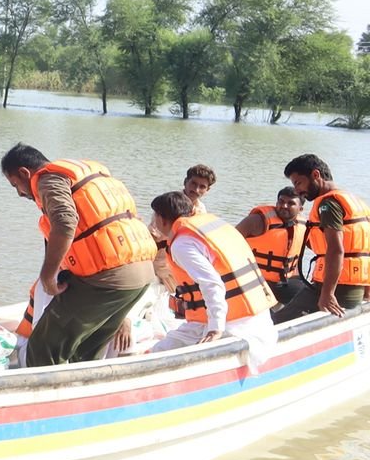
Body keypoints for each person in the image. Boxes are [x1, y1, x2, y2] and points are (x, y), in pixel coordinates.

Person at [0, 144, 157, 366]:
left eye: (16, 185)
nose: (19, 193)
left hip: (107, 279)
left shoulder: (48, 179)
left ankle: (46, 388)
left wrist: (47, 277)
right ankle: (82, 385)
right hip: (140, 277)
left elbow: (65, 222)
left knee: (43, 347)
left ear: (25, 173)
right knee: (84, 352)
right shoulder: (81, 176)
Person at [147, 191, 278, 364]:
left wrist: (215, 328)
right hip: (257, 315)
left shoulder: (181, 244)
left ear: (162, 219)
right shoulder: (212, 225)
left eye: (155, 216)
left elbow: (212, 284)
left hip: (231, 322)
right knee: (168, 343)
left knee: (158, 353)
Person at [274, 154, 370, 322]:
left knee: (275, 323)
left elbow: (336, 249)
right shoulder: (356, 201)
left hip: (336, 290)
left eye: (298, 183)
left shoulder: (328, 204)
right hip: (355, 288)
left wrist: (327, 294)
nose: (297, 190)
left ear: (316, 175)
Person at [234, 187, 308, 305]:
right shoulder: (257, 221)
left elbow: (321, 249)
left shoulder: (304, 226)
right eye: (281, 201)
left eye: (291, 203)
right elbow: (228, 242)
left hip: (285, 282)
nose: (284, 206)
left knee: (309, 299)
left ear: (300, 209)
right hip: (254, 281)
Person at [151, 164, 217, 291]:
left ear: (207, 190)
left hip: (183, 262)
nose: (196, 189)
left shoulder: (201, 210)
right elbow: (155, 235)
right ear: (185, 182)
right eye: (193, 183)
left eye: (202, 187)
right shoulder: (170, 203)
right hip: (161, 261)